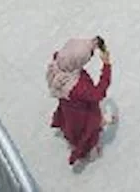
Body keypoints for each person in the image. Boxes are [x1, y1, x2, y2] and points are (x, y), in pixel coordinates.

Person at [46, 37, 115, 165]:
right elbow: (97, 94)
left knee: (70, 123)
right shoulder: (78, 87)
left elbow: (77, 50)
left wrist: (95, 44)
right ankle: (88, 152)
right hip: (81, 112)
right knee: (86, 130)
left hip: (68, 105)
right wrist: (106, 66)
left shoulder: (60, 60)